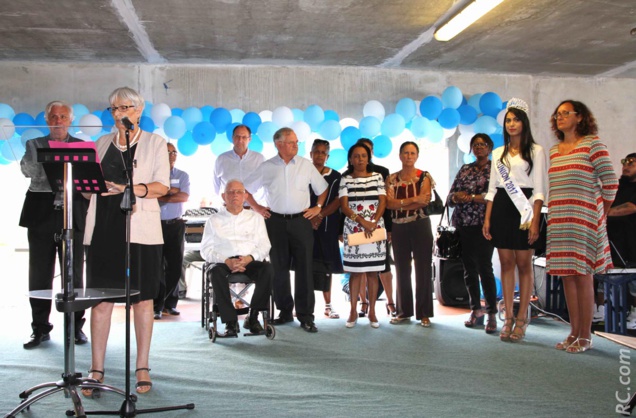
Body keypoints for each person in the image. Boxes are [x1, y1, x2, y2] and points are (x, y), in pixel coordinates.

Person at [82, 87, 170, 396]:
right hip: (104, 228)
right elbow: (86, 188)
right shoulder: (101, 143)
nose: (120, 112)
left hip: (140, 230)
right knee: (101, 301)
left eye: (126, 107)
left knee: (143, 299)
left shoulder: (155, 143)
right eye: (115, 108)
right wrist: (91, 186)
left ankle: (142, 365)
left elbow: (162, 186)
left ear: (139, 111)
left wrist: (130, 189)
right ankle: (96, 368)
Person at [547, 100, 617, 354]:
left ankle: (586, 336)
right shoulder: (555, 151)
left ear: (580, 117)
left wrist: (602, 214)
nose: (560, 117)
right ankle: (573, 332)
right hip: (560, 221)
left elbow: (610, 183)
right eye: (558, 114)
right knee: (567, 275)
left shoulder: (593, 144)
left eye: (566, 113)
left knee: (582, 275)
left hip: (585, 219)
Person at [19, 100, 89, 349]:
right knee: (39, 275)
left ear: (70, 120)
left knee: (74, 275)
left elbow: (87, 181)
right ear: (47, 120)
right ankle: (39, 329)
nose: (58, 121)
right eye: (53, 116)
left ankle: (75, 328)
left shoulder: (83, 147)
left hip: (73, 215)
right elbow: (29, 172)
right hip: (40, 215)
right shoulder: (34, 144)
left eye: (62, 116)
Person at [245, 127, 328, 333]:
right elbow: (246, 190)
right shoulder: (266, 167)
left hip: (301, 221)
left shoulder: (305, 165)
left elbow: (323, 189)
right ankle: (284, 311)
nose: (296, 145)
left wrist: (318, 207)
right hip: (275, 222)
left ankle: (306, 316)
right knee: (278, 268)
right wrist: (257, 207)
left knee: (304, 269)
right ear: (279, 144)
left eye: (297, 142)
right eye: (291, 142)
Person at [483, 98, 547, 343]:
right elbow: (491, 190)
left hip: (525, 207)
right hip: (501, 208)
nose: (511, 124)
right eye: (508, 120)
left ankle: (522, 318)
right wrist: (487, 219)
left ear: (524, 122)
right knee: (506, 262)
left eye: (516, 119)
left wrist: (535, 221)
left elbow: (540, 190)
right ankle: (507, 317)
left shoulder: (536, 151)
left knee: (523, 263)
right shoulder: (498, 153)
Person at [200, 180, 273, 336]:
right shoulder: (213, 220)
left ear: (245, 196)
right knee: (215, 273)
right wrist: (226, 261)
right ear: (223, 196)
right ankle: (230, 322)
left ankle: (252, 317)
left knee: (268, 270)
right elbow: (205, 250)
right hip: (223, 261)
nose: (235, 195)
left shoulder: (256, 218)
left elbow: (265, 246)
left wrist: (249, 258)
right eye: (231, 192)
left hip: (249, 259)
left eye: (239, 192)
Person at [448, 134, 498, 333]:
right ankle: (475, 309)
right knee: (469, 270)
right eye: (475, 145)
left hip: (485, 225)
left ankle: (491, 312)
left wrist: (470, 197)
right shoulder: (465, 169)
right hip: (463, 224)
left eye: (482, 145)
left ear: (490, 147)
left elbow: (494, 197)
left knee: (485, 268)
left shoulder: (496, 169)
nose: (478, 148)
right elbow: (450, 197)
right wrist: (456, 197)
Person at [385, 141, 434, 327]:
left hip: (420, 226)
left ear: (417, 156)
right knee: (402, 270)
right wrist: (412, 199)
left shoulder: (424, 177)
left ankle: (424, 313)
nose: (409, 156)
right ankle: (403, 311)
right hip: (398, 227)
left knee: (423, 269)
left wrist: (401, 202)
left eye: (412, 153)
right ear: (400, 156)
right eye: (405, 152)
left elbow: (424, 202)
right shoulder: (391, 179)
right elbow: (389, 204)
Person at [339, 142, 387, 328]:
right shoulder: (346, 179)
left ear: (369, 158)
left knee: (373, 273)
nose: (360, 159)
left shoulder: (377, 177)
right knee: (355, 273)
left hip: (375, 227)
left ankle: (373, 311)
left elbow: (382, 202)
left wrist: (373, 222)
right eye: (356, 156)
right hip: (354, 227)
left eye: (364, 156)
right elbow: (344, 206)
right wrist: (363, 222)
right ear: (350, 159)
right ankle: (353, 310)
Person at [356, 138, 397, 318]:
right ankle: (363, 303)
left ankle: (390, 302)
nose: (363, 155)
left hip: (378, 224)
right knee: (361, 265)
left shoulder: (382, 172)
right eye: (359, 152)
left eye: (367, 151)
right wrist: (341, 230)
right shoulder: (348, 173)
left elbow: (386, 202)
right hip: (356, 225)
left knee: (384, 265)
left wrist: (389, 228)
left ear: (371, 153)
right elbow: (344, 204)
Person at [153, 142, 190, 319]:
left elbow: (184, 196)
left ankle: (170, 303)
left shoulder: (183, 175)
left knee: (175, 266)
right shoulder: (153, 175)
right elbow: (152, 196)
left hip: (176, 224)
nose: (171, 155)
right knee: (157, 267)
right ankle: (157, 305)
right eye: (167, 152)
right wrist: (170, 191)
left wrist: (163, 195)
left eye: (173, 152)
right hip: (155, 225)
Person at [309, 139, 344, 319]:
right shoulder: (302, 173)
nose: (319, 155)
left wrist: (320, 215)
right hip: (305, 225)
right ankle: (304, 306)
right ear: (310, 154)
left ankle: (328, 305)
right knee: (304, 265)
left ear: (328, 156)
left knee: (326, 266)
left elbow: (338, 200)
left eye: (323, 152)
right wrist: (310, 219)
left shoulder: (336, 176)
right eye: (316, 152)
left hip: (328, 225)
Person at [607, 153, 636, 266]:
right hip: (613, 249)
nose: (626, 167)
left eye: (631, 163)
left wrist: (603, 213)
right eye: (624, 163)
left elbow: (631, 207)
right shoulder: (617, 186)